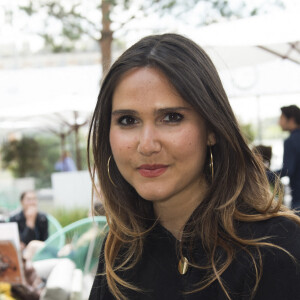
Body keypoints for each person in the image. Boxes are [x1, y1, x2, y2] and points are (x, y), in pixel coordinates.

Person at [88, 34, 300, 300]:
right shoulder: (119, 252)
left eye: (171, 117)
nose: (147, 144)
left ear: (212, 128)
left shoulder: (279, 246)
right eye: (128, 120)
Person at [277, 105, 300, 209]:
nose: (279, 122)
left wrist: (265, 174)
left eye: (281, 118)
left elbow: (287, 170)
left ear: (291, 120)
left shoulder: (290, 141)